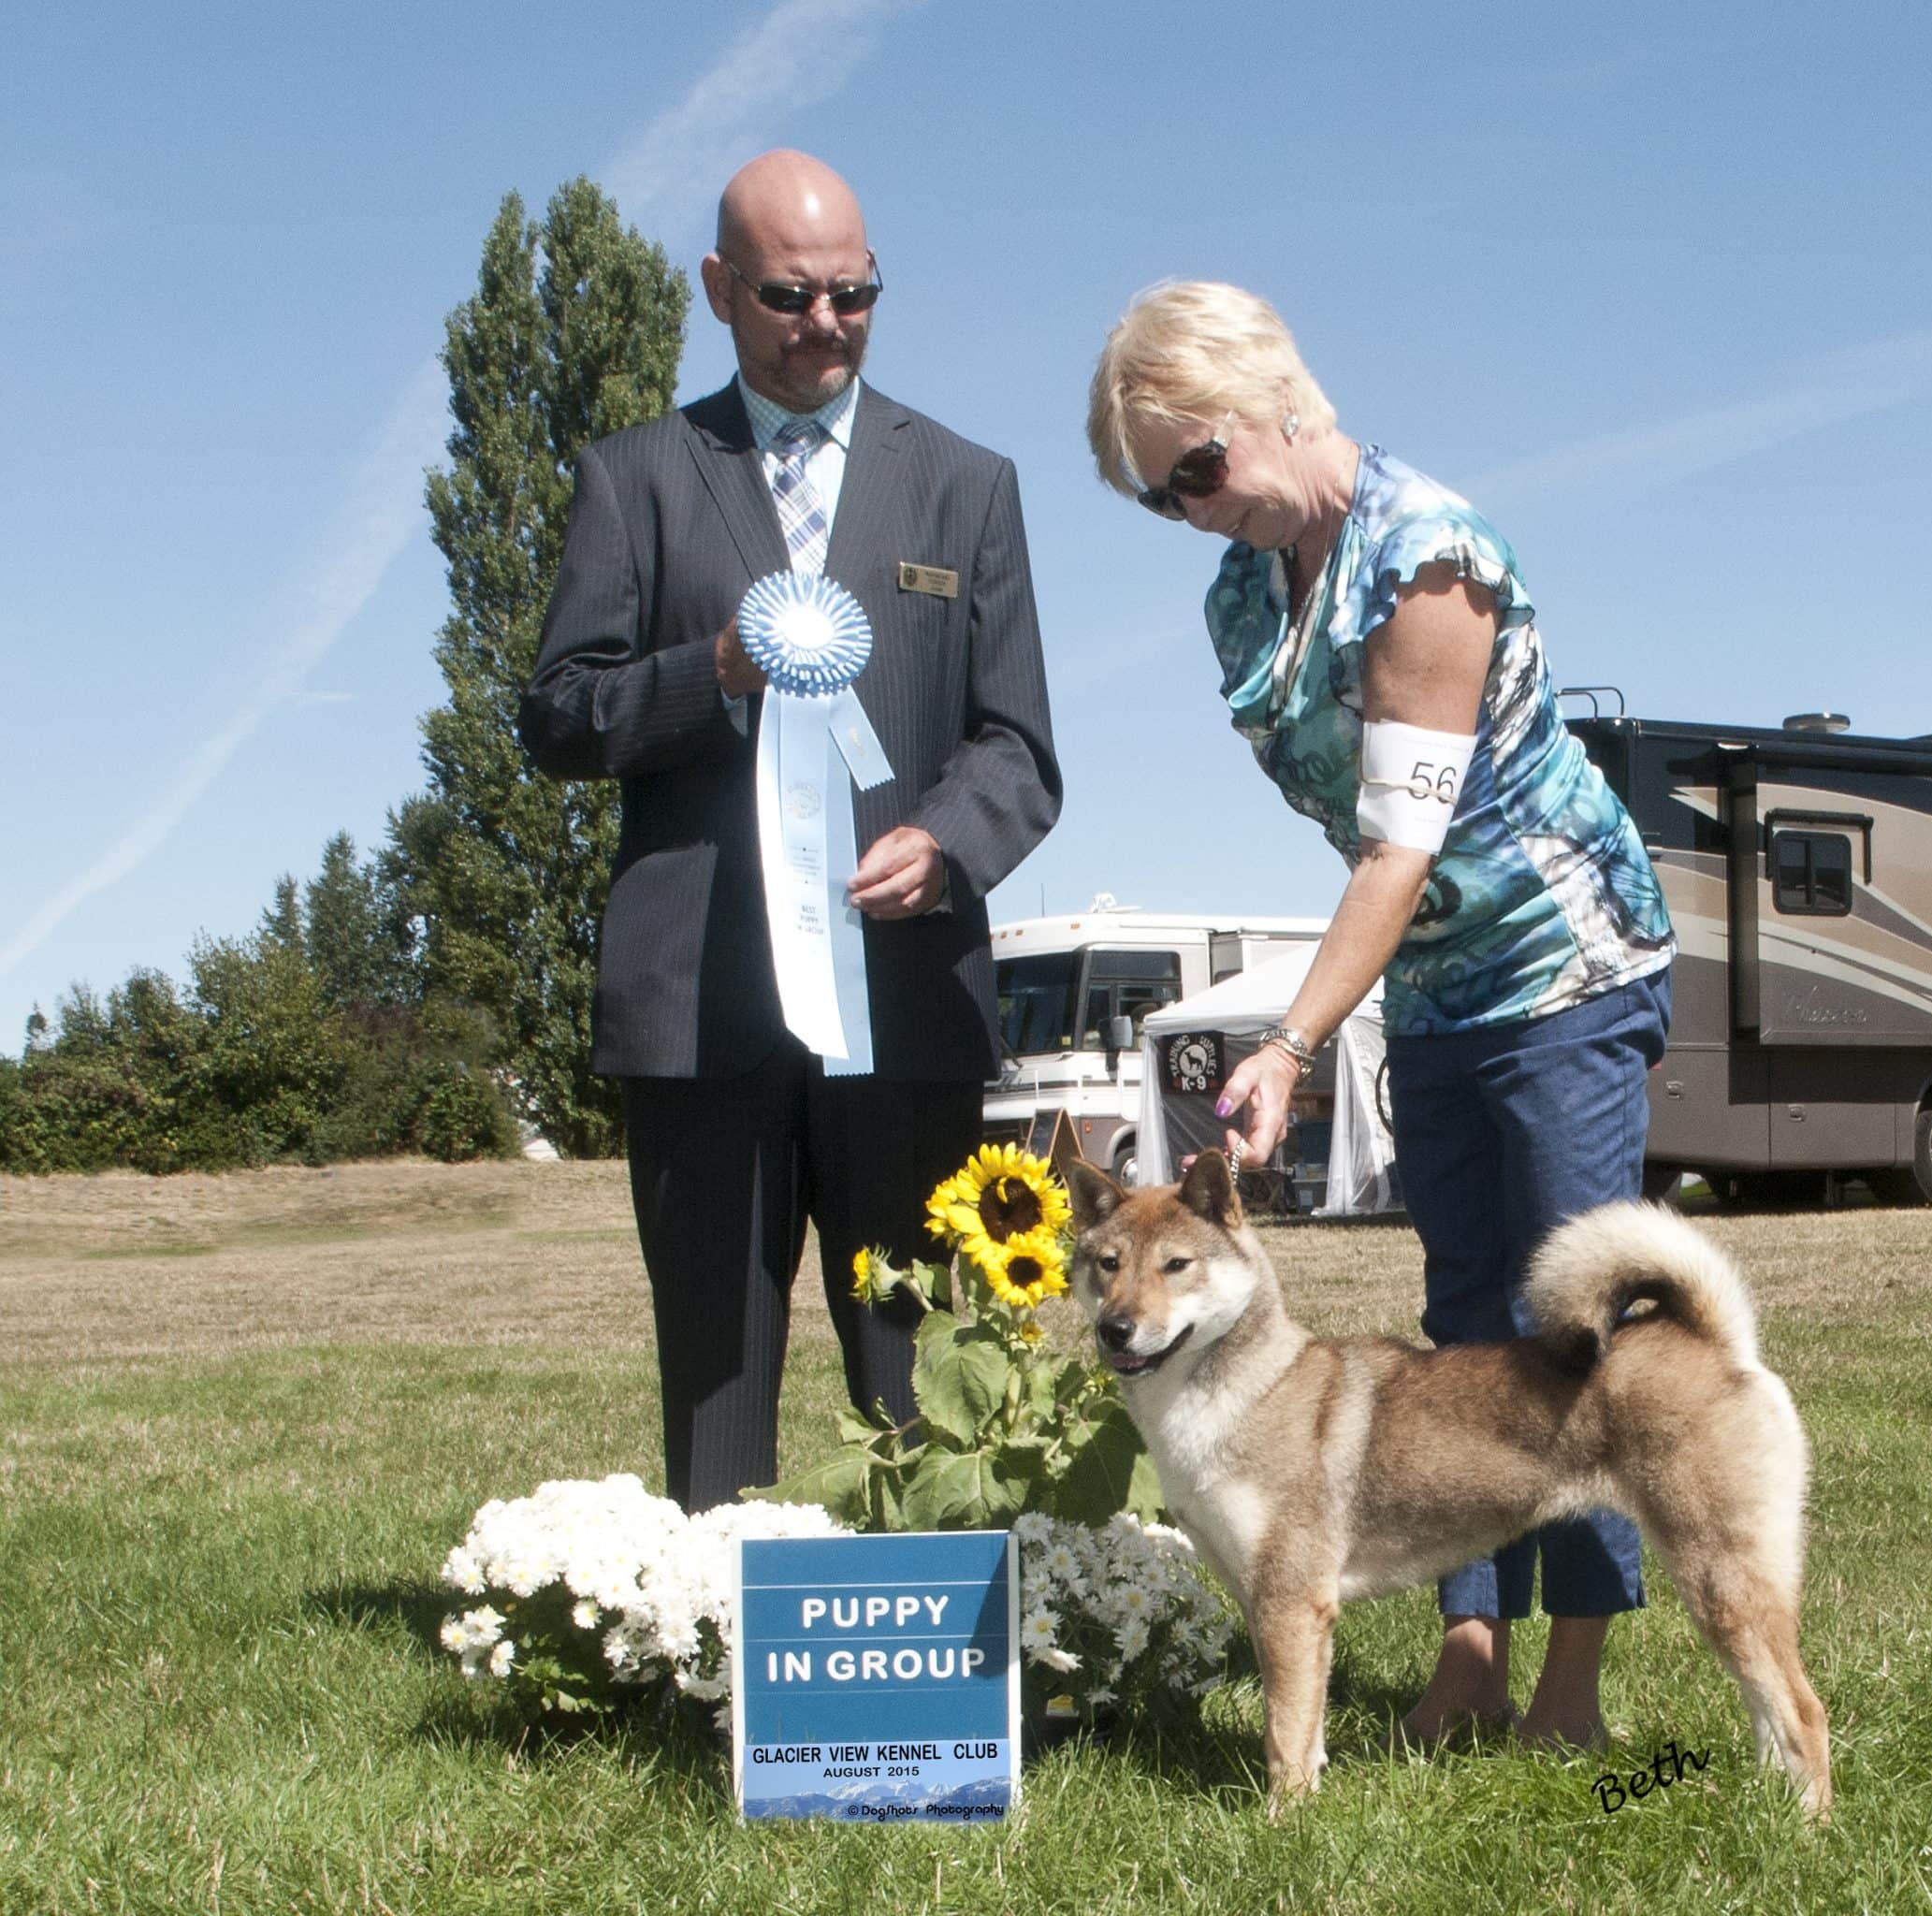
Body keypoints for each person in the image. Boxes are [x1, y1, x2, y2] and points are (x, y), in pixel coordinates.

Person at [1085, 282, 1675, 1750]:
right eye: (1160, 498)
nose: (1191, 509)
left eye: (1199, 468)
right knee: (1462, 1328)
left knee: (1571, 1341)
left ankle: (1572, 1694)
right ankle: (1466, 1651)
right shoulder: (1249, 591)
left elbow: (1399, 843)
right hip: (1434, 988)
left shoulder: (1428, 557)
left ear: (1277, 394)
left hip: (1561, 971)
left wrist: (1288, 1043)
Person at [521, 152, 1060, 1512]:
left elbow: (1019, 747)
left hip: (909, 999)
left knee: (925, 1358)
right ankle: (721, 1653)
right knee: (715, 1357)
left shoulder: (968, 485)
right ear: (718, 288)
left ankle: (944, 1653)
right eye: (789, 295)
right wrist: (708, 674)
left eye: (854, 293)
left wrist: (946, 842)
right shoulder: (634, 478)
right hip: (700, 1007)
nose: (825, 323)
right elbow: (558, 716)